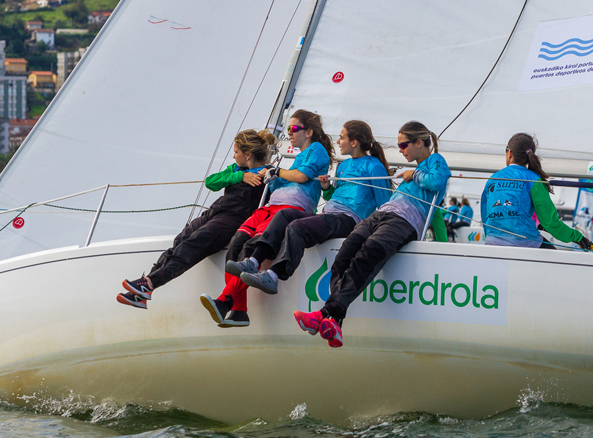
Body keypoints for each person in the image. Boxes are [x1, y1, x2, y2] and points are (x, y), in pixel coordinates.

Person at [293, 121, 450, 348]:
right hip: (383, 213)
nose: (401, 150)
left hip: (406, 220)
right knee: (344, 255)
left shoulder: (436, 161)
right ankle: (334, 321)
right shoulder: (412, 168)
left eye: (404, 144)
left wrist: (413, 174)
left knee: (368, 253)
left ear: (419, 142)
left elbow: (438, 181)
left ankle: (324, 314)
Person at [200, 109, 334, 327]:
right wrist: (271, 174)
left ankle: (227, 301)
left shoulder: (317, 149)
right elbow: (290, 178)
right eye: (288, 128)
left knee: (251, 247)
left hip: (292, 208)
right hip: (273, 206)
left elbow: (301, 177)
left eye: (293, 128)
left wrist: (278, 172)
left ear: (309, 131)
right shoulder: (299, 156)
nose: (289, 133)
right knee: (237, 244)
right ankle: (238, 310)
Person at [117, 129, 275, 308]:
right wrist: (240, 176)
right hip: (216, 211)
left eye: (236, 152)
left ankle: (150, 282)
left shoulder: (267, 173)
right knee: (181, 239)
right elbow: (211, 182)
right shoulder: (236, 169)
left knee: (193, 243)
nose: (233, 156)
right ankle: (143, 290)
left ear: (247, 155)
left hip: (233, 219)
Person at [230, 120, 392, 294]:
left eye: (342, 138)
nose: (338, 142)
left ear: (354, 142)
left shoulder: (374, 166)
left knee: (297, 227)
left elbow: (385, 203)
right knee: (285, 215)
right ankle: (253, 261)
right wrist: (327, 189)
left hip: (350, 219)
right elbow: (333, 196)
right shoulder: (343, 166)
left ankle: (273, 275)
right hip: (330, 214)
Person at [480, 132, 593, 250]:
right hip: (525, 243)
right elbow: (550, 223)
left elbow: (485, 216)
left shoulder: (493, 179)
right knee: (556, 261)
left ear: (509, 153)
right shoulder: (534, 179)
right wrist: (578, 237)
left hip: (492, 243)